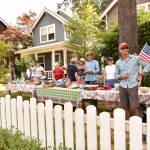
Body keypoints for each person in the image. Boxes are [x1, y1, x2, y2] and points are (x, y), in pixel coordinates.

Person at [115, 42, 148, 119]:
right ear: (120, 50)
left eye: (126, 47)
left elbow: (148, 65)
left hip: (133, 85)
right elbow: (116, 76)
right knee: (124, 108)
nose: (125, 49)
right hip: (122, 86)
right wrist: (122, 76)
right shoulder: (118, 62)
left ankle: (138, 124)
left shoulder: (136, 58)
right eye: (123, 48)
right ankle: (128, 125)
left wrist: (140, 74)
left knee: (134, 107)